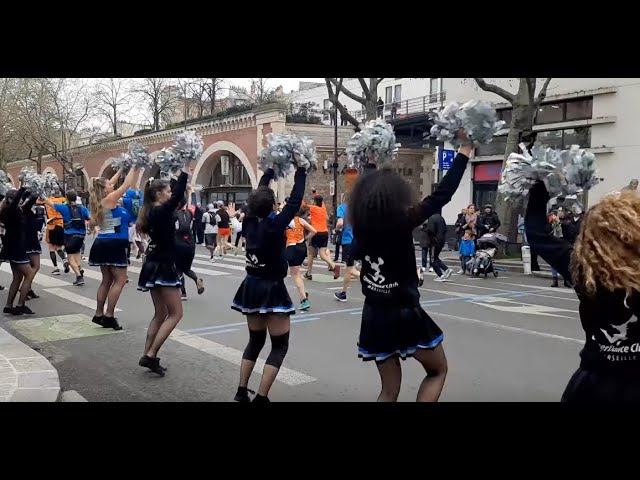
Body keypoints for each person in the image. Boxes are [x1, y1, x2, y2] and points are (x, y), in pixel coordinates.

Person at [349, 140, 473, 402]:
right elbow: (442, 194)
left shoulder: (360, 225)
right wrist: (464, 152)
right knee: (438, 370)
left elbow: (369, 190)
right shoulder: (403, 221)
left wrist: (370, 162)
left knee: (388, 391)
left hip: (373, 314)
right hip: (403, 312)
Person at [525, 181, 640, 402]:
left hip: (593, 384)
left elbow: (538, 236)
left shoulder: (583, 268)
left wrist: (540, 186)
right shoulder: (584, 267)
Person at [231, 165, 306, 403]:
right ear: (273, 206)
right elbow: (295, 202)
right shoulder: (275, 225)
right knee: (279, 346)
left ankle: (241, 391)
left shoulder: (250, 220)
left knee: (254, 341)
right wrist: (301, 171)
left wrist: (269, 174)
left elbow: (262, 193)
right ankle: (261, 397)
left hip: (251, 285)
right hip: (272, 287)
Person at [136, 163, 192, 376]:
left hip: (153, 263)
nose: (171, 194)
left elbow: (177, 195)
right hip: (163, 265)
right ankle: (150, 356)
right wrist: (185, 170)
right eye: (167, 191)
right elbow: (178, 196)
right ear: (159, 194)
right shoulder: (160, 211)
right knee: (176, 314)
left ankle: (147, 353)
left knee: (160, 314)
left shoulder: (150, 211)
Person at [88, 167, 140, 329]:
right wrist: (134, 167)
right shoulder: (110, 199)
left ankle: (98, 313)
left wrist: (123, 167)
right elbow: (126, 185)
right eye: (109, 184)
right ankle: (109, 316)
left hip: (103, 241)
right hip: (115, 242)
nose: (112, 185)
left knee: (107, 280)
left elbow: (116, 182)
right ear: (105, 189)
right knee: (120, 279)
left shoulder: (100, 201)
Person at [0, 187, 39, 315]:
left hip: (13, 247)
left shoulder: (15, 210)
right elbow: (17, 202)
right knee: (29, 274)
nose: (21, 201)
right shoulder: (9, 210)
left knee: (17, 277)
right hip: (17, 247)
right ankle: (20, 304)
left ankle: (9, 305)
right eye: (18, 198)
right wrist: (22, 190)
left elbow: (27, 205)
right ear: (12, 200)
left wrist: (33, 194)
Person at [44, 190, 90, 286]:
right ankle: (80, 268)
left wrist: (42, 195)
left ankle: (78, 276)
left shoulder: (64, 208)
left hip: (69, 235)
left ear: (67, 199)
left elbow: (50, 203)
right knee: (77, 252)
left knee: (70, 257)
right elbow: (89, 218)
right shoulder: (82, 208)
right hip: (81, 235)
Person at [174, 192, 204, 300]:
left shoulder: (173, 213)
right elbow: (194, 204)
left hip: (177, 243)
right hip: (190, 244)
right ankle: (197, 280)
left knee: (178, 269)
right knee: (186, 267)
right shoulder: (190, 212)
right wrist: (192, 192)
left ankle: (183, 292)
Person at [286, 207, 316, 311]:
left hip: (291, 247)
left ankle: (304, 299)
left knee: (295, 274)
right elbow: (314, 231)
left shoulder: (285, 221)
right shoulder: (300, 220)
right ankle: (303, 291)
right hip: (301, 247)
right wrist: (304, 238)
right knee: (297, 273)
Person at [304, 195, 340, 280]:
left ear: (315, 202)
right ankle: (334, 266)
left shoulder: (313, 208)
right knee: (323, 254)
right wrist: (315, 193)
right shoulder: (323, 208)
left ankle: (309, 273)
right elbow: (321, 202)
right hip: (324, 232)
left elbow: (303, 205)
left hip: (315, 232)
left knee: (310, 254)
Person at [333, 195, 360, 302]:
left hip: (347, 241)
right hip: (357, 240)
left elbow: (340, 222)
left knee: (351, 269)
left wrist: (336, 229)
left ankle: (373, 286)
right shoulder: (356, 210)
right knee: (349, 269)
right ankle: (343, 293)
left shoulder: (342, 208)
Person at [41, 189, 69, 275]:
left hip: (51, 225)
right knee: (59, 247)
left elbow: (37, 200)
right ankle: (64, 260)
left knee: (51, 247)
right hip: (60, 225)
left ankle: (56, 268)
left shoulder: (47, 201)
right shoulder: (63, 200)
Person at [25, 197, 46, 300]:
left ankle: (28, 287)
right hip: (30, 240)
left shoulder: (22, 210)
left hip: (28, 240)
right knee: (35, 266)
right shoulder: (25, 211)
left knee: (30, 267)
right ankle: (26, 288)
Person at [424, 211, 451, 282]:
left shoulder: (431, 218)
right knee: (435, 257)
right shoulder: (441, 218)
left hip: (434, 241)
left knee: (433, 259)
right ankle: (445, 270)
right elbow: (445, 229)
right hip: (441, 240)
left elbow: (431, 230)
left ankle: (441, 274)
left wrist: (425, 229)